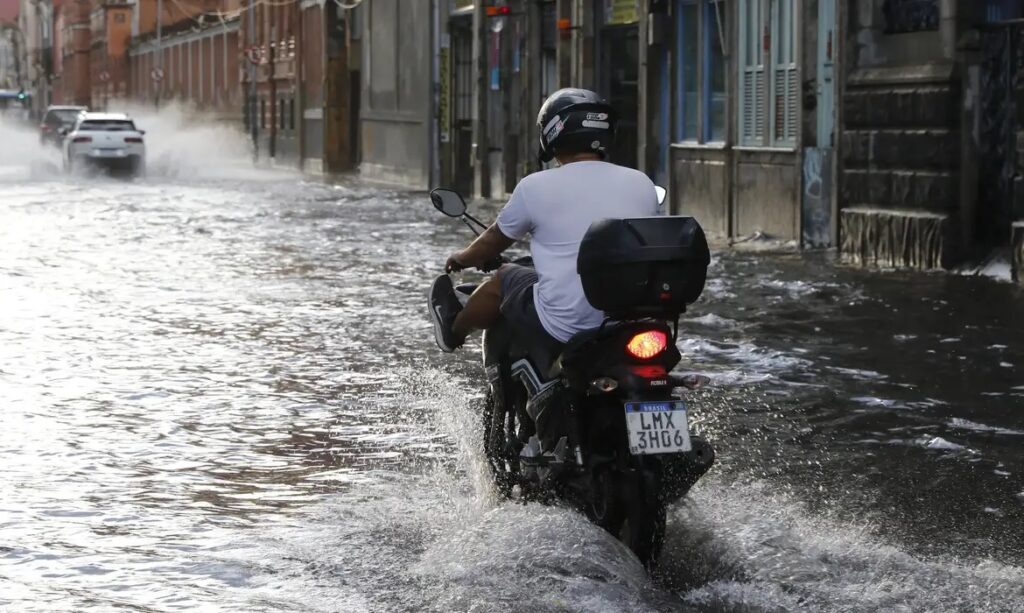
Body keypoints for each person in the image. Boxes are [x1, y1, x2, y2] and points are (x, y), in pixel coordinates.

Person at [429, 88, 659, 353]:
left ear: (552, 132)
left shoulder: (535, 186)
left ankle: (453, 331)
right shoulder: (641, 183)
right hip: (630, 319)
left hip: (565, 324)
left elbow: (493, 240)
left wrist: (461, 258)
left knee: (505, 277)